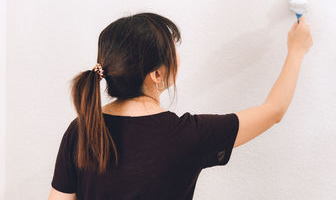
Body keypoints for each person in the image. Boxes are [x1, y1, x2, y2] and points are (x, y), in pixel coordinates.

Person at [48, 12, 313, 200]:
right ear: (156, 75)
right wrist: (296, 51)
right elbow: (274, 110)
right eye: (173, 51)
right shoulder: (190, 134)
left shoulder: (81, 129)